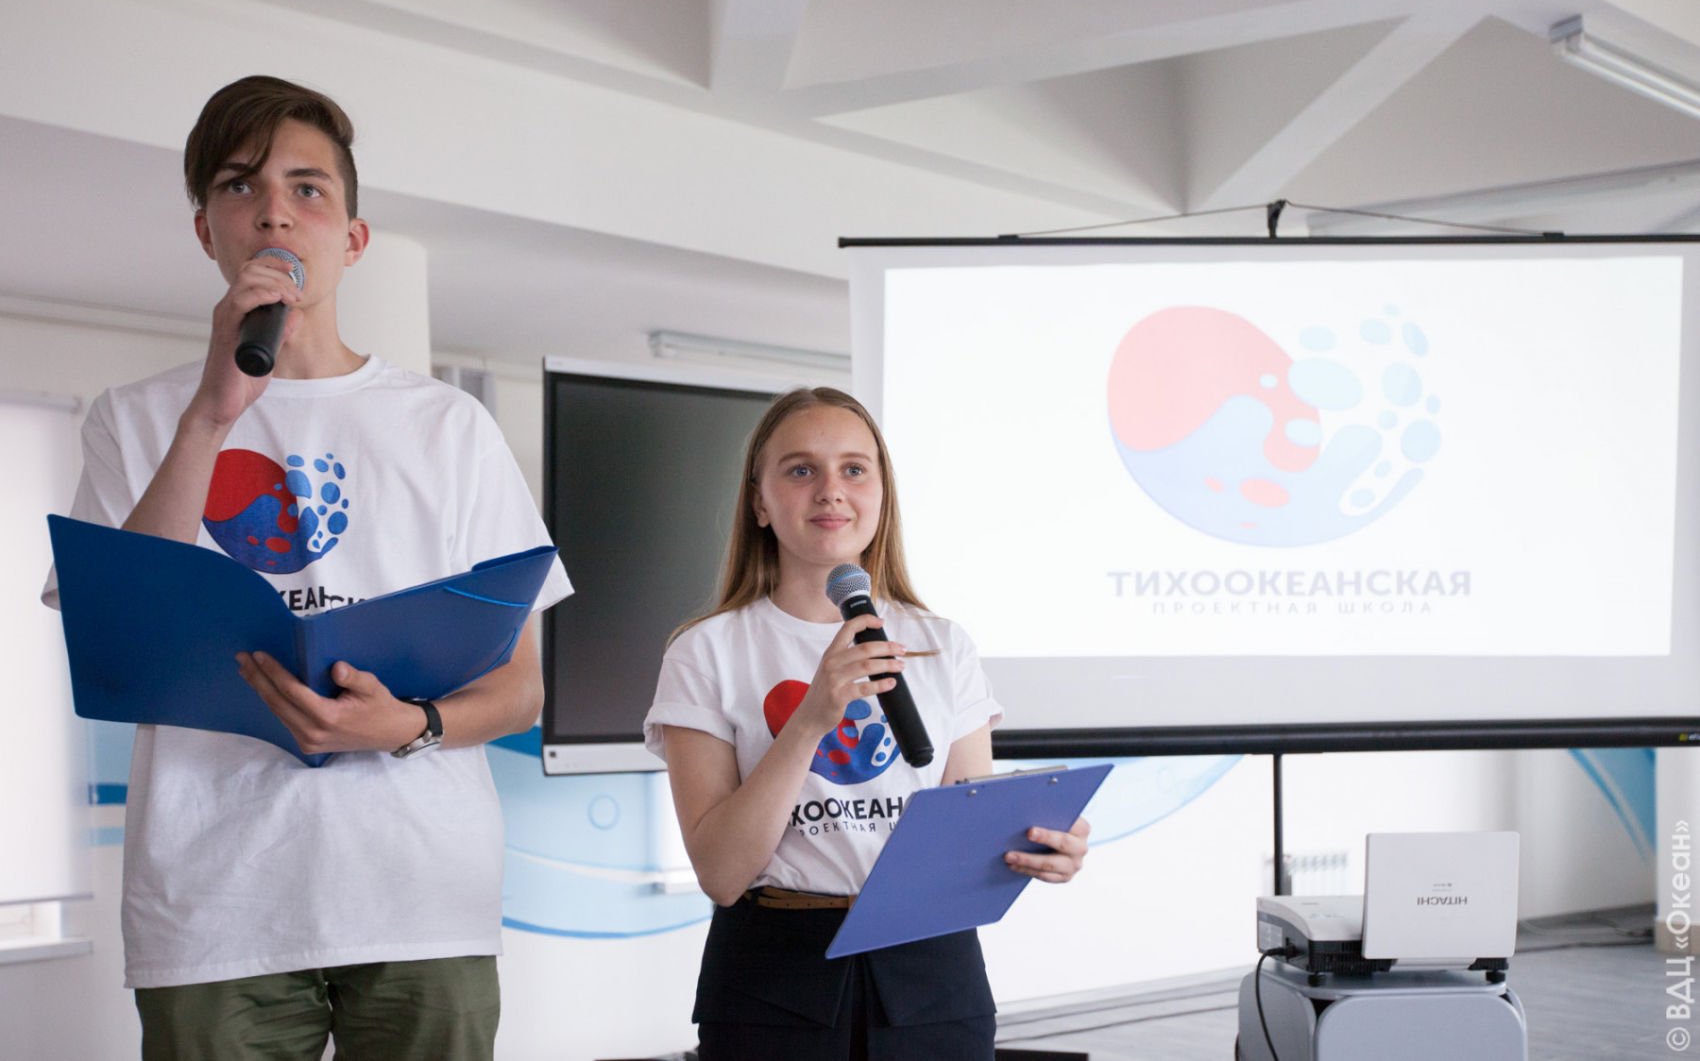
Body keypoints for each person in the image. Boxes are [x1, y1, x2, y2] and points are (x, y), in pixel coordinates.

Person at [43, 75, 570, 1060]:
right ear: (206, 229)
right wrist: (210, 416)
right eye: (241, 185)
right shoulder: (134, 418)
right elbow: (116, 637)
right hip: (213, 907)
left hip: (421, 896)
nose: (275, 210)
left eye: (307, 188)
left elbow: (520, 687)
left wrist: (407, 725)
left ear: (353, 237)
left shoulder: (449, 426)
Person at [644, 386, 1090, 1060]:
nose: (831, 490)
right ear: (759, 502)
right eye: (801, 469)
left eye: (854, 469)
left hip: (933, 978)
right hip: (773, 979)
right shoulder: (706, 651)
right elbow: (722, 873)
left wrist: (1038, 844)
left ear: (882, 495)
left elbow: (963, 824)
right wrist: (808, 722)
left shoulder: (943, 644)